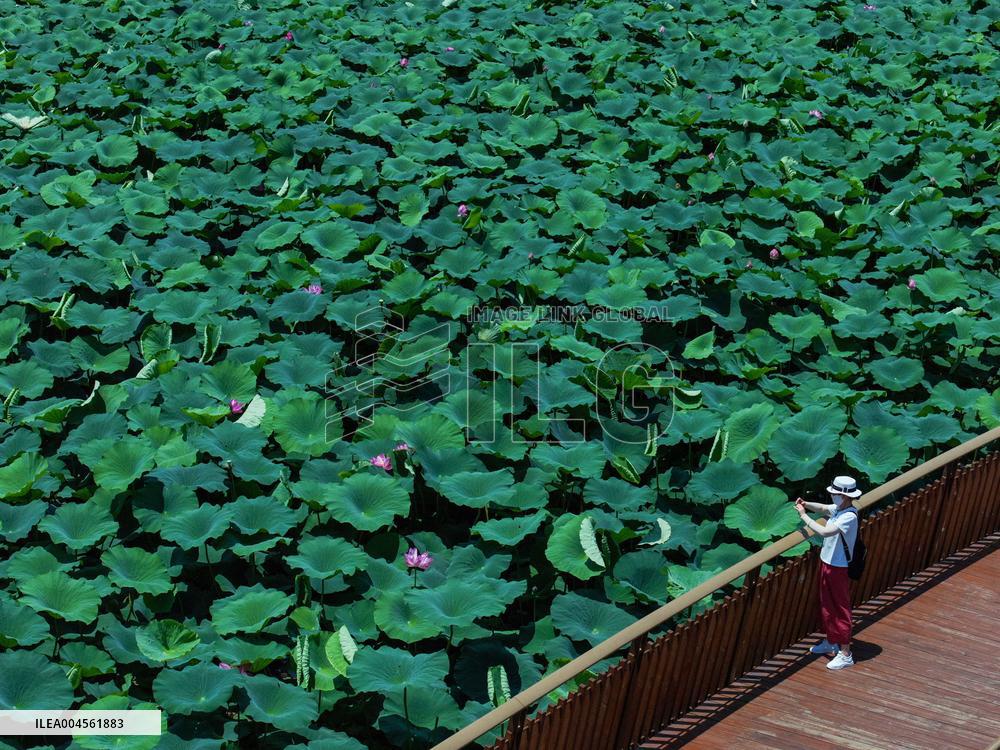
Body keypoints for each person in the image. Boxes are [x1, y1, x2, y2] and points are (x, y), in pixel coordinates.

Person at [794, 475, 862, 670]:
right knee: (827, 604)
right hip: (827, 562)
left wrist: (803, 515)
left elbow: (825, 532)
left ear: (846, 496)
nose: (833, 497)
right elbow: (823, 508)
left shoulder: (849, 516)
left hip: (839, 566)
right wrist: (806, 504)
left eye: (836, 494)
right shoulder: (839, 509)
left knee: (840, 607)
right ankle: (832, 641)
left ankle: (846, 653)